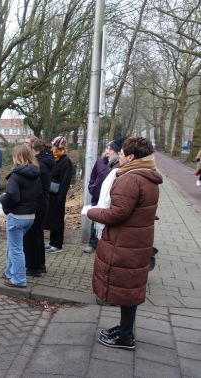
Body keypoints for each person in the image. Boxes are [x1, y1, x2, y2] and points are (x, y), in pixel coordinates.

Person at [82, 137, 163, 351]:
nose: (119, 156)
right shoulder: (148, 177)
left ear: (132, 157)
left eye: (122, 153)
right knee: (130, 288)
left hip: (124, 243)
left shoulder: (130, 179)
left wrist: (89, 211)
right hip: (136, 242)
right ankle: (125, 329)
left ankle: (125, 337)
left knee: (126, 288)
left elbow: (117, 213)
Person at [0, 145, 41, 288]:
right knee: (14, 246)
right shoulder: (36, 174)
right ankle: (9, 272)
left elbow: (12, 196)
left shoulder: (16, 175)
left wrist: (2, 199)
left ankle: (18, 279)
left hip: (17, 217)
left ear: (17, 157)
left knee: (16, 249)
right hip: (30, 217)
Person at [23, 138, 53, 277]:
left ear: (34, 149)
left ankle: (33, 268)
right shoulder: (46, 160)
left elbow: (35, 187)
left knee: (32, 237)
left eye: (27, 145)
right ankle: (40, 265)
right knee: (38, 236)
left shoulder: (39, 164)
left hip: (36, 205)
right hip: (43, 204)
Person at [45, 135, 73, 254]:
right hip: (50, 195)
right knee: (51, 219)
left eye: (54, 145)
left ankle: (58, 244)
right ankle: (52, 243)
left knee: (58, 220)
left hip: (58, 197)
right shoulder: (53, 158)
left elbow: (65, 182)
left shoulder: (66, 162)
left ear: (58, 147)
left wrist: (60, 198)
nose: (52, 147)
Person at [84, 148, 110, 253]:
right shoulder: (100, 161)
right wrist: (92, 186)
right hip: (97, 195)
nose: (108, 151)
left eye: (110, 149)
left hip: (108, 196)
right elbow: (93, 174)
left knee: (106, 219)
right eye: (107, 148)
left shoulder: (118, 164)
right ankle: (92, 243)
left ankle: (104, 243)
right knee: (95, 219)